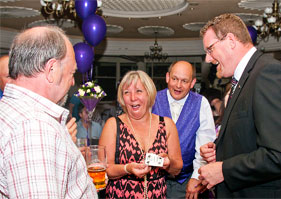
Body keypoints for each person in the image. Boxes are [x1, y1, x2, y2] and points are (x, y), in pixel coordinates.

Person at [198, 13, 281, 198]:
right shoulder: (243, 80)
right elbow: (251, 138)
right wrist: (219, 151)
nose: (208, 59)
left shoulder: (269, 73)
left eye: (210, 49)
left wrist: (223, 169)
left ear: (230, 40)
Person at [0, 25, 97, 198]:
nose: (72, 81)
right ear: (52, 70)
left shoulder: (13, 110)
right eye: (71, 73)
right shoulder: (35, 128)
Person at [99, 70, 183, 199]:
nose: (133, 98)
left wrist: (168, 163)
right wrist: (127, 168)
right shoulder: (113, 125)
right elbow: (105, 169)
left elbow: (177, 168)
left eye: (139, 91)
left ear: (149, 94)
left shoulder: (166, 124)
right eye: (127, 92)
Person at [152, 61, 216, 199]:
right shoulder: (152, 99)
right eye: (174, 79)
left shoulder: (201, 103)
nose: (178, 85)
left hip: (186, 182)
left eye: (184, 81)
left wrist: (196, 177)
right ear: (167, 77)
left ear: (192, 83)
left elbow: (205, 146)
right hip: (153, 181)